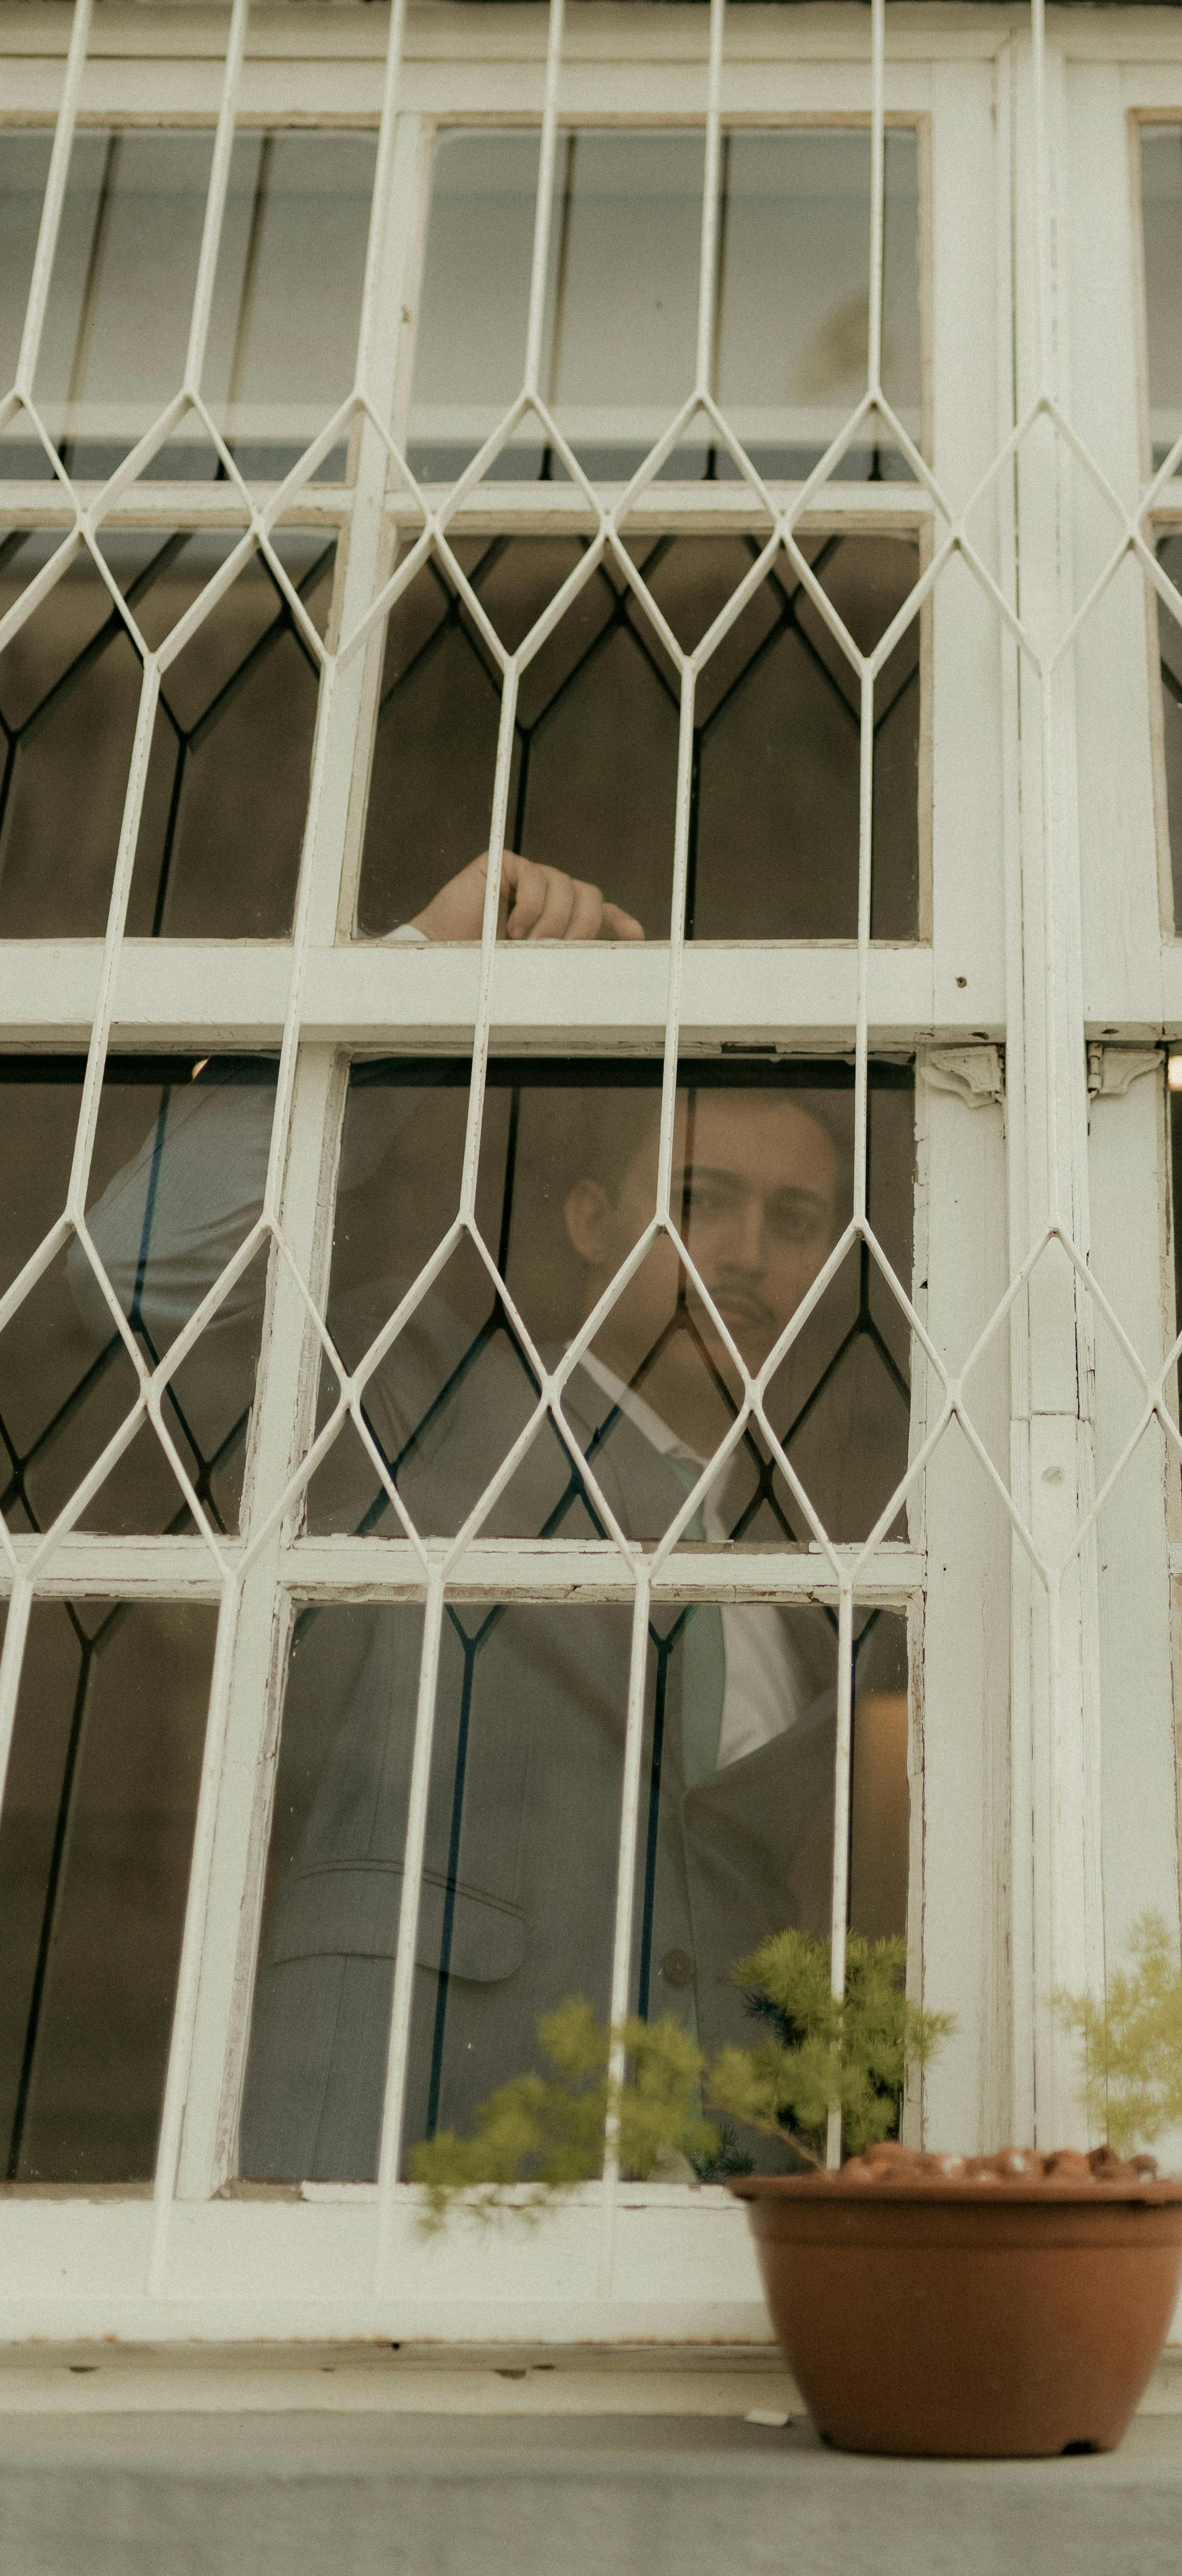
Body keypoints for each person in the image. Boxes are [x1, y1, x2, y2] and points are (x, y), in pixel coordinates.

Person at [75, 852, 849, 2181]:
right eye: (700, 1202)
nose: (744, 1257)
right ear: (593, 1221)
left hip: (697, 2233)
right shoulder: (425, 1394)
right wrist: (422, 978)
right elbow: (142, 1264)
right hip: (391, 2159)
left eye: (795, 1222)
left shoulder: (830, 1564)